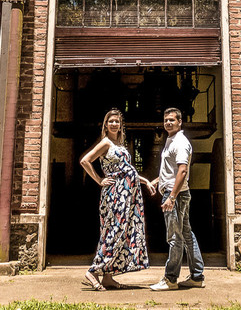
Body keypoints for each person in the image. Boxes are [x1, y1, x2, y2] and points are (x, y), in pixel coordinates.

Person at [79, 108, 151, 290]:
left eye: (116, 121)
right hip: (115, 194)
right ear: (105, 125)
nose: (113, 124)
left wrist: (145, 181)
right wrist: (99, 180)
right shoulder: (106, 143)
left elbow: (126, 170)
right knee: (114, 230)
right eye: (110, 121)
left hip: (127, 194)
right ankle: (93, 271)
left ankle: (108, 276)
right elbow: (85, 160)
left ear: (120, 125)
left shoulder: (120, 145)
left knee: (123, 231)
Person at [147, 107, 205, 290]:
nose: (168, 123)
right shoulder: (171, 140)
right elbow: (172, 171)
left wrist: (171, 197)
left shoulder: (180, 142)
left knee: (175, 238)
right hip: (177, 193)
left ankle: (170, 279)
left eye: (172, 120)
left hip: (176, 195)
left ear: (180, 122)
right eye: (166, 120)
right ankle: (197, 277)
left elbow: (182, 170)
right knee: (186, 234)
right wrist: (158, 180)